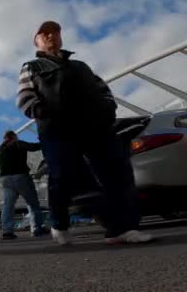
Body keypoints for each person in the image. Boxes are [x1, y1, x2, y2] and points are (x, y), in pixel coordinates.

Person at [16, 20, 153, 245]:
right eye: (45, 33)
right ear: (37, 42)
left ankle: (122, 228)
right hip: (56, 128)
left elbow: (103, 90)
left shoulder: (81, 66)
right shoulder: (32, 67)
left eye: (56, 32)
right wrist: (41, 110)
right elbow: (24, 97)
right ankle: (59, 223)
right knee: (62, 175)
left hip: (95, 126)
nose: (52, 36)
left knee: (116, 172)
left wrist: (108, 107)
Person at [0, 130, 47, 240]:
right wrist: (45, 141)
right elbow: (34, 147)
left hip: (5, 179)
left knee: (8, 206)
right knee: (32, 203)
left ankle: (7, 231)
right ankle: (37, 228)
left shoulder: (1, 149)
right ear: (14, 136)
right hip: (20, 176)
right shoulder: (18, 143)